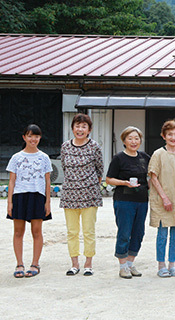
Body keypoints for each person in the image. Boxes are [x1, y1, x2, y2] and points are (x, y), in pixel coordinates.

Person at [6, 125, 52, 278]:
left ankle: (35, 263)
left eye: (37, 136)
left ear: (40, 138)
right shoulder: (16, 157)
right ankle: (19, 264)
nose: (34, 139)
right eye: (30, 136)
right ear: (24, 137)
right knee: (18, 232)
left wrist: (47, 202)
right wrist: (9, 202)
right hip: (19, 196)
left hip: (37, 197)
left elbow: (47, 181)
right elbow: (11, 181)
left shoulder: (44, 157)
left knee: (36, 232)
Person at [60, 113, 103, 276]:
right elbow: (65, 167)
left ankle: (88, 263)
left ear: (89, 130)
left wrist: (89, 186)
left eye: (84, 126)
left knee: (89, 231)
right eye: (77, 126)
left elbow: (100, 170)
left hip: (90, 195)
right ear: (72, 128)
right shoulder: (65, 146)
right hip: (69, 196)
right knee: (72, 231)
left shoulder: (94, 146)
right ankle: (74, 263)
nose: (80, 129)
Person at [148, 119, 175, 278]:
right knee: (162, 234)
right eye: (170, 134)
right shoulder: (158, 154)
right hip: (162, 201)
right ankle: (161, 265)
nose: (173, 137)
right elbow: (153, 178)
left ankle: (172, 264)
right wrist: (164, 198)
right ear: (163, 136)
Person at [105, 126, 150, 279]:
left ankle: (131, 264)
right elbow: (109, 179)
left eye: (136, 138)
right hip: (124, 201)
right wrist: (124, 182)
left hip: (142, 201)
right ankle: (122, 266)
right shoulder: (119, 158)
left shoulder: (144, 157)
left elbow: (152, 176)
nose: (133, 141)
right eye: (130, 138)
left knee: (138, 233)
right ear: (124, 140)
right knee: (124, 232)